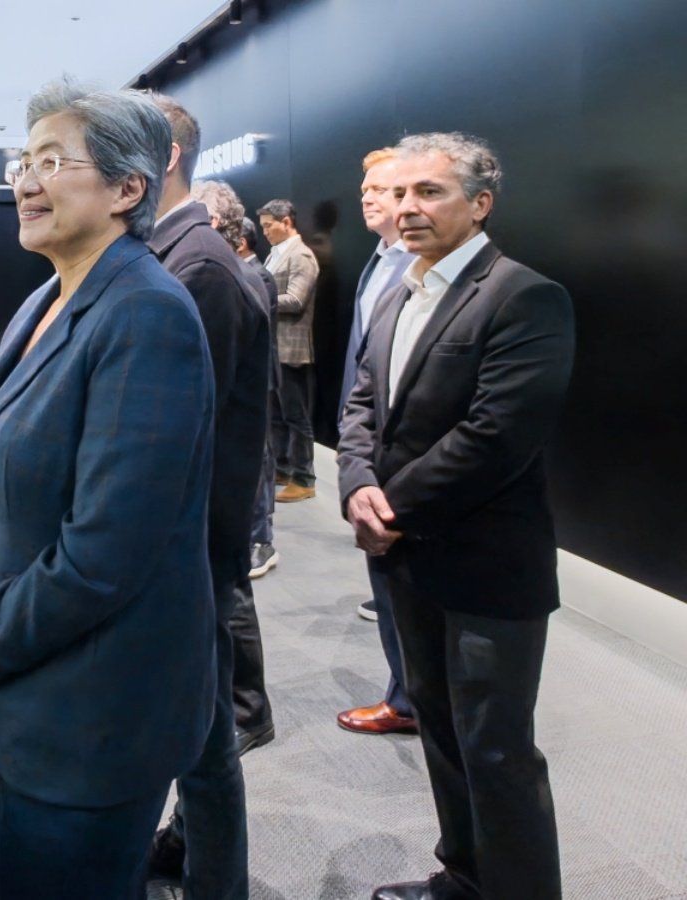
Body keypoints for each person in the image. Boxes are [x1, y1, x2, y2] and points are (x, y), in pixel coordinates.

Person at [0, 81, 217, 900]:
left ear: (127, 189)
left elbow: (104, 554)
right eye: (24, 162)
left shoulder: (148, 314)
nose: (26, 183)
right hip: (24, 682)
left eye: (53, 162)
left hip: (94, 714)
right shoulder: (45, 300)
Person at [337, 132, 572, 900]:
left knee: (496, 752)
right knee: (440, 731)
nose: (407, 207)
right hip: (409, 562)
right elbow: (363, 405)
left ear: (480, 204)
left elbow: (497, 435)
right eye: (399, 192)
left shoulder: (524, 296)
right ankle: (465, 879)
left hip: (487, 569)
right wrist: (356, 484)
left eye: (429, 191)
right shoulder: (400, 290)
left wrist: (391, 506)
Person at [146, 95, 269, 897]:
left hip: (188, 549)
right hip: (181, 546)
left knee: (207, 739)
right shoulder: (169, 252)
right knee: (200, 731)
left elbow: (186, 434)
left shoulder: (197, 264)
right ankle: (191, 853)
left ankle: (213, 878)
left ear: (161, 157)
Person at [190, 181, 277, 757]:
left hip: (229, 461)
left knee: (230, 589)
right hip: (226, 457)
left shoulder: (233, 278)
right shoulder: (229, 273)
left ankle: (250, 711)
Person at [335, 147, 419, 737]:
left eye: (381, 188)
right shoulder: (379, 260)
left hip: (403, 456)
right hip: (370, 447)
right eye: (365, 188)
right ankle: (407, 695)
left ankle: (412, 701)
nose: (367, 196)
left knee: (407, 587)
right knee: (388, 584)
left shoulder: (419, 267)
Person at [257, 199, 319, 502]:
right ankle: (282, 467)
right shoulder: (276, 254)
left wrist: (257, 294)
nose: (265, 232)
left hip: (291, 349)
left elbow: (296, 299)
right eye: (263, 227)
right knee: (277, 415)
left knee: (296, 416)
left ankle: (305, 478)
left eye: (269, 226)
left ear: (286, 222)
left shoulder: (301, 255)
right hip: (275, 347)